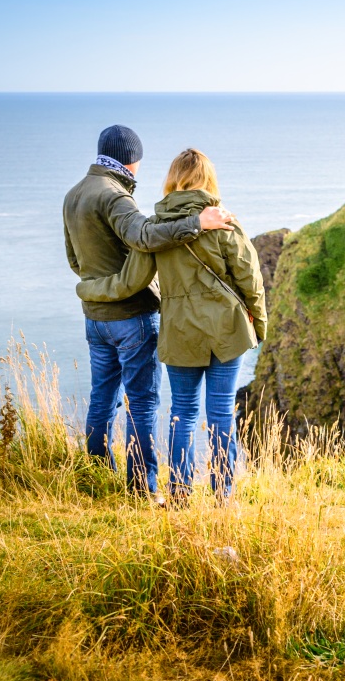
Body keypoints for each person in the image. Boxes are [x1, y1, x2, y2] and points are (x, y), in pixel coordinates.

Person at [76, 148, 266, 505]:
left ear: (172, 180)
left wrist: (89, 288)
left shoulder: (155, 228)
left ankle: (179, 493)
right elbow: (250, 279)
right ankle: (223, 496)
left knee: (183, 412)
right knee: (222, 411)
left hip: (179, 330)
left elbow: (132, 280)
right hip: (227, 328)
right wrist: (259, 324)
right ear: (208, 179)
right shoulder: (225, 221)